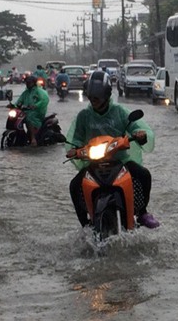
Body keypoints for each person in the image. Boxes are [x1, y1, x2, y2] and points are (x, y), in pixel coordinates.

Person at [65, 71, 159, 229]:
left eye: (97, 98)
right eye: (91, 97)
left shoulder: (119, 112)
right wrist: (75, 149)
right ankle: (84, 223)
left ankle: (142, 212)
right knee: (74, 185)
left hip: (120, 160)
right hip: (94, 162)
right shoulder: (84, 116)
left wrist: (140, 135)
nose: (93, 101)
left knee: (144, 175)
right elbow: (77, 138)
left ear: (106, 96)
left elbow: (137, 127)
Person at [15, 75, 49, 146]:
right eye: (26, 82)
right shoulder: (26, 92)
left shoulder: (39, 91)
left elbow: (44, 100)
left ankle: (33, 139)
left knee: (29, 118)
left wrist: (36, 105)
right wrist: (14, 105)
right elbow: (19, 100)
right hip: (27, 110)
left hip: (37, 112)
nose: (27, 84)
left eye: (29, 82)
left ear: (33, 83)